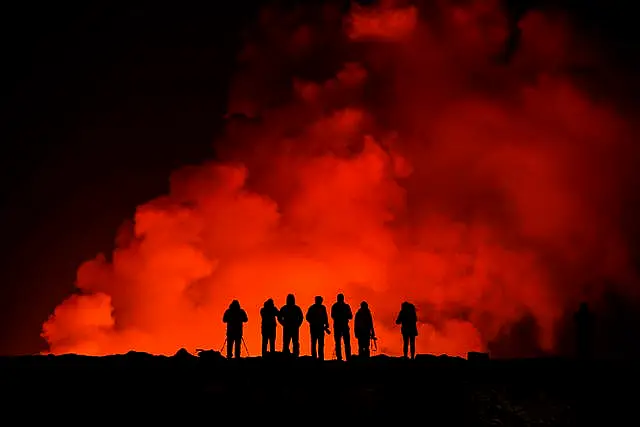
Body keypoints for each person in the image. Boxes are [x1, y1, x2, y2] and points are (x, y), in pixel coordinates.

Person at [306, 296, 330, 360]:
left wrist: (326, 324)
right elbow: (307, 317)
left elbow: (325, 317)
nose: (319, 301)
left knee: (320, 344)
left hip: (320, 328)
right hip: (314, 328)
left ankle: (320, 357)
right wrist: (313, 322)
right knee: (314, 343)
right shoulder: (312, 308)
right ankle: (315, 357)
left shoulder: (322, 308)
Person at [331, 293, 353, 361]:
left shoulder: (337, 306)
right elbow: (333, 315)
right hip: (340, 327)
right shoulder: (344, 306)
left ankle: (344, 358)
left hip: (342, 327)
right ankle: (342, 358)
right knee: (340, 343)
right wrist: (343, 316)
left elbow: (350, 316)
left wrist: (343, 316)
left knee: (343, 343)